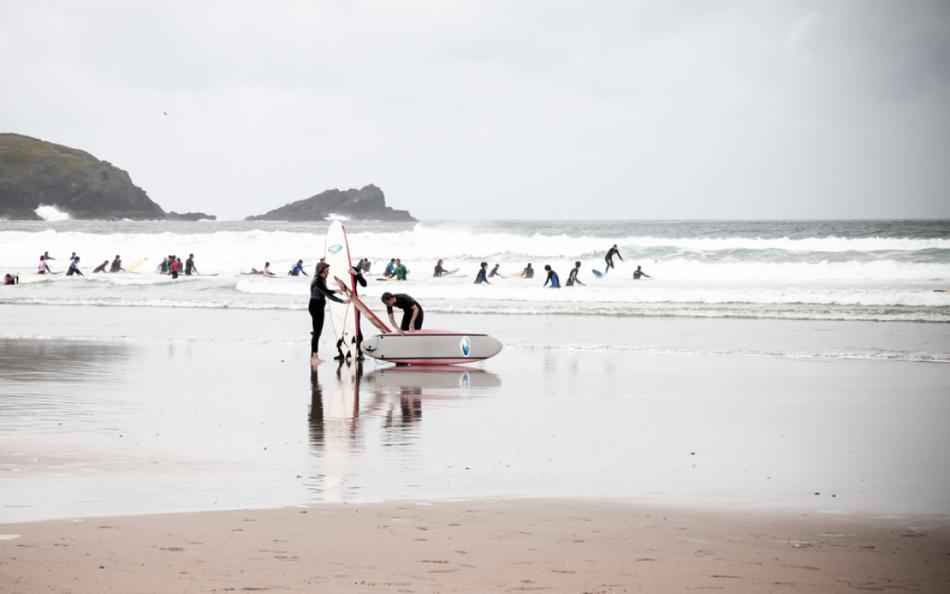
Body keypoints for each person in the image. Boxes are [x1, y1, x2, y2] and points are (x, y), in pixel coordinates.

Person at [309, 262, 349, 366]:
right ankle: (314, 357)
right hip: (315, 307)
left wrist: (337, 291)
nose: (328, 273)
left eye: (328, 271)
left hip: (318, 305)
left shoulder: (321, 279)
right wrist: (342, 301)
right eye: (326, 271)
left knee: (317, 332)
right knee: (317, 332)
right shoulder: (318, 280)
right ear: (321, 271)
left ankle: (313, 356)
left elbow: (325, 291)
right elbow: (328, 295)